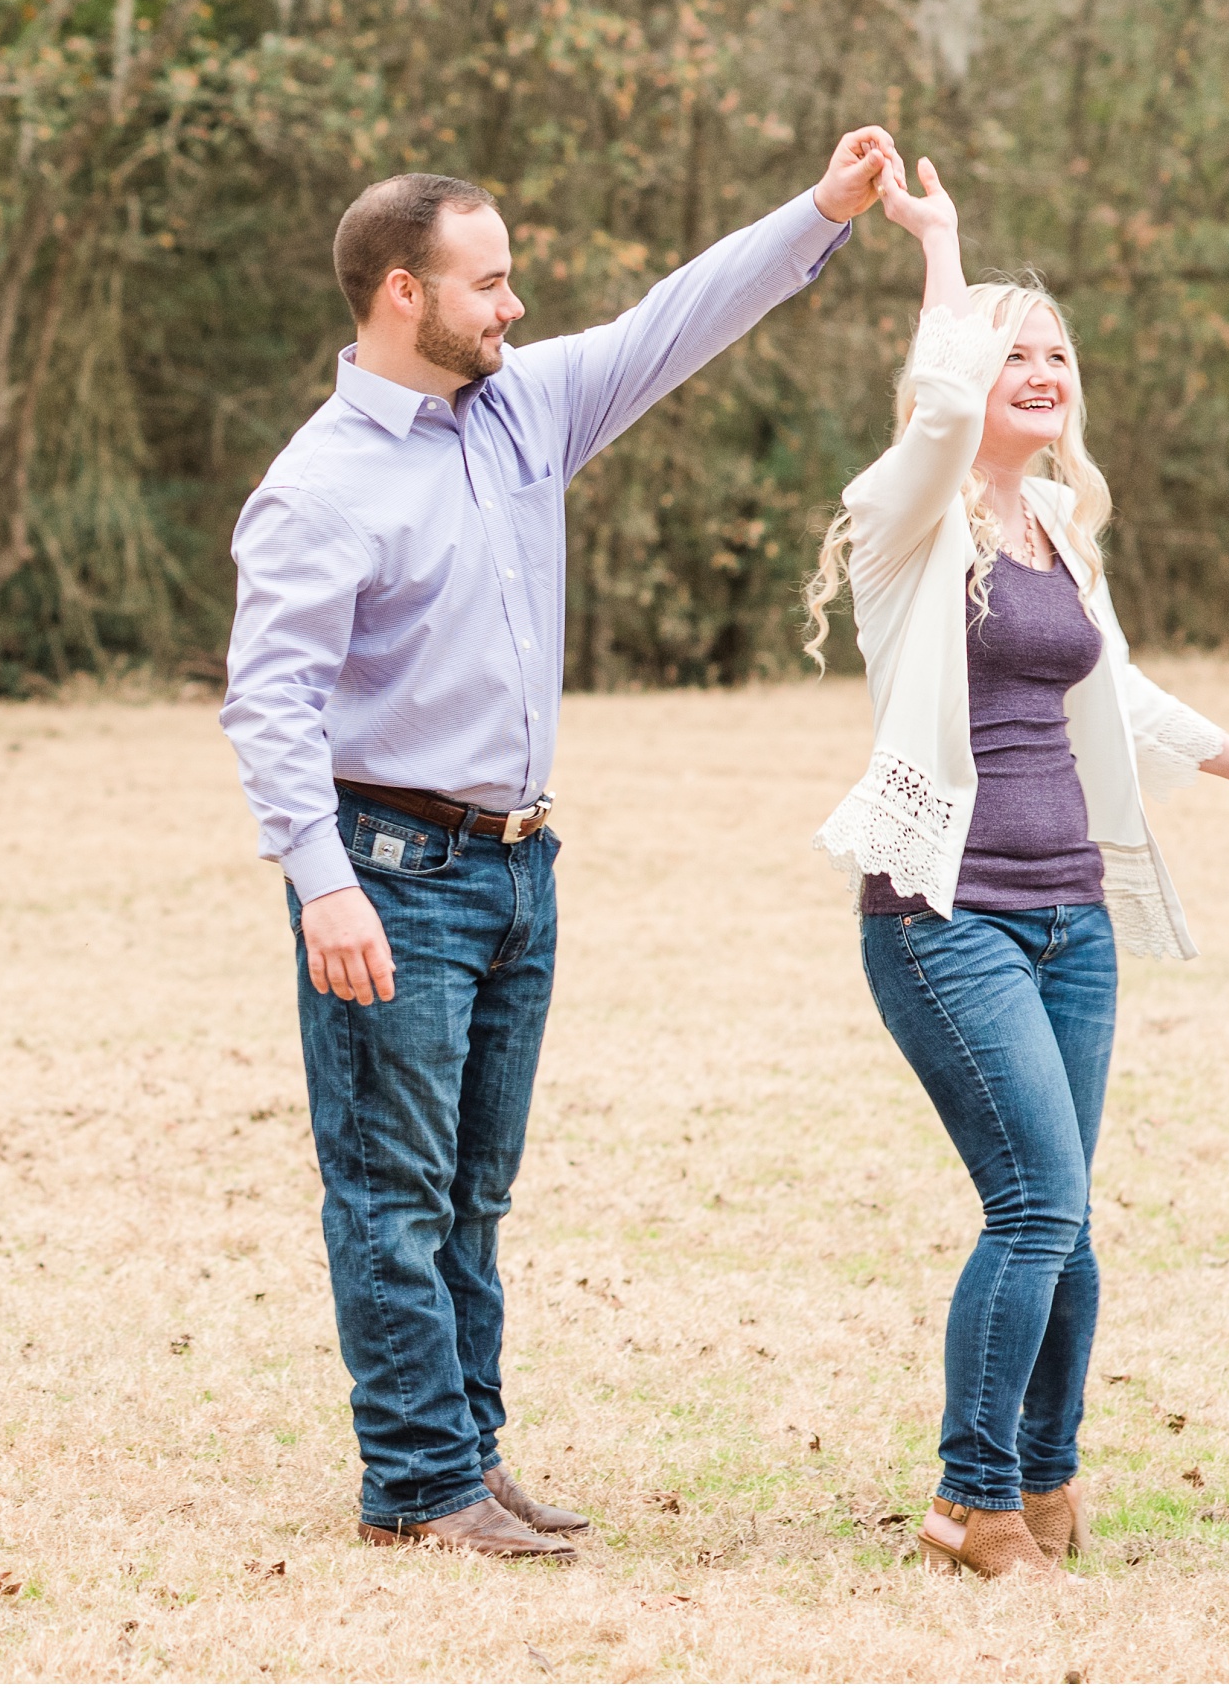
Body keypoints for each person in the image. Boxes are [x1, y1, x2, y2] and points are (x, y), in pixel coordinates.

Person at [222, 127, 900, 1560]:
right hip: (391, 875)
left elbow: (676, 319)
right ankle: (415, 1483)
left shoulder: (525, 410)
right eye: (490, 283)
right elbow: (269, 703)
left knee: (474, 1189)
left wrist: (822, 209)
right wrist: (322, 885)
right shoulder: (320, 484)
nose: (514, 307)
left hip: (520, 868)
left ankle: (464, 1451)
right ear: (402, 293)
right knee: (391, 1187)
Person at [801, 153, 1229, 1582]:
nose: (1039, 369)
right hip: (946, 918)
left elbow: (1125, 699)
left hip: (1069, 921)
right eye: (1010, 350)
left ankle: (1043, 1488)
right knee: (1035, 1205)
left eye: (1055, 353)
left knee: (1069, 1220)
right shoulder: (907, 523)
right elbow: (932, 414)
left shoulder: (1057, 530)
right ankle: (967, 1504)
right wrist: (943, 250)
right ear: (965, 375)